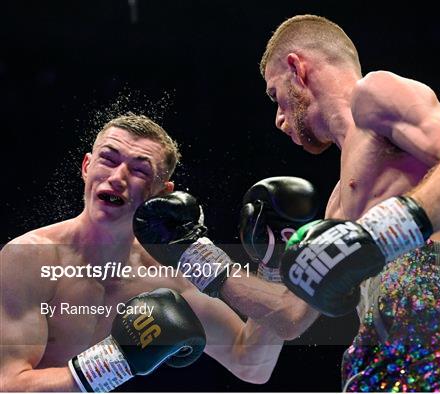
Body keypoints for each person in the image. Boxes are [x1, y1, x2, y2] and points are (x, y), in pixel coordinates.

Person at [259, 14, 440, 391]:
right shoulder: (338, 204)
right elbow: (290, 315)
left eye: (274, 95)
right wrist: (202, 262)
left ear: (296, 69)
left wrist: (377, 234)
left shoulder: (374, 95)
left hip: (435, 308)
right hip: (376, 337)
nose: (278, 119)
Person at [0, 113, 315, 391]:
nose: (118, 176)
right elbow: (8, 384)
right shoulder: (29, 258)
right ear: (86, 166)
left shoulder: (170, 278)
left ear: (162, 193)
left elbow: (251, 364)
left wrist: (273, 266)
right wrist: (115, 362)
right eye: (108, 159)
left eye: (139, 170)